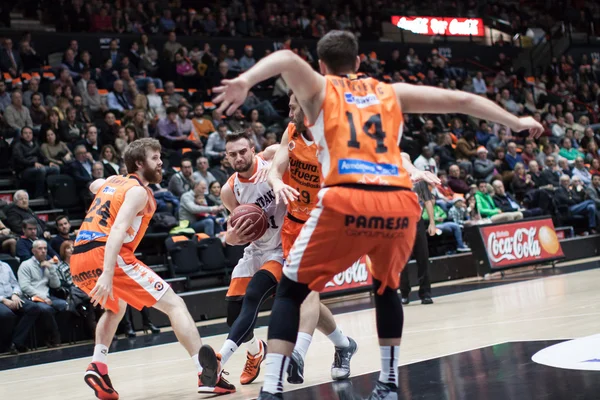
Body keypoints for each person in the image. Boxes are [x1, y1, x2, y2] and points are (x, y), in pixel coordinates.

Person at [210, 30, 543, 399]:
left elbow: (287, 59)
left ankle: (271, 388)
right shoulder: (391, 92)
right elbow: (460, 99)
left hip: (347, 198)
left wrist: (243, 80)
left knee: (290, 292)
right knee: (386, 289)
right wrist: (515, 122)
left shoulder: (321, 91)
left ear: (321, 66)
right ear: (358, 62)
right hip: (398, 202)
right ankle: (387, 382)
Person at [69, 138, 233, 398]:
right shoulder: (137, 191)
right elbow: (118, 230)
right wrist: (108, 273)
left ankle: (98, 366)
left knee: (116, 307)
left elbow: (94, 184)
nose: (161, 163)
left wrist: (103, 186)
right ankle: (205, 373)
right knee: (174, 304)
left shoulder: (111, 182)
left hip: (78, 258)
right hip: (107, 254)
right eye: (155, 158)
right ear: (139, 163)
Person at [254, 92, 358, 384]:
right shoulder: (291, 132)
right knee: (303, 295)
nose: (288, 112)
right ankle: (343, 345)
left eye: (293, 108)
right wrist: (276, 183)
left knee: (306, 289)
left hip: (324, 226)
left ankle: (297, 352)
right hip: (293, 226)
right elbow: (275, 170)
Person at [198, 132, 284, 390]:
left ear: (252, 148)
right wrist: (231, 238)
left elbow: (293, 151)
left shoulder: (272, 164)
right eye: (232, 154)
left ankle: (220, 359)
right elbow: (236, 231)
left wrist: (275, 150)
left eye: (242, 151)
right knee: (233, 312)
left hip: (282, 249)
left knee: (254, 294)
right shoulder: (229, 189)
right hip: (256, 250)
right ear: (225, 157)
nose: (238, 157)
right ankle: (256, 351)